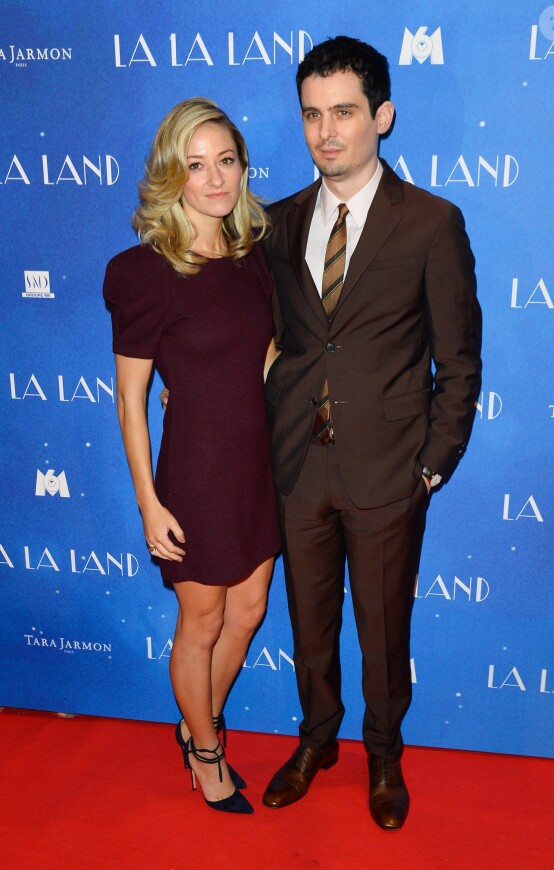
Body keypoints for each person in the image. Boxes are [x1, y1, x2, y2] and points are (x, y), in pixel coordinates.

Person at [260, 37, 482, 829]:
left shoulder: (431, 223)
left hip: (391, 471)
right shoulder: (277, 223)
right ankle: (316, 740)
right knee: (308, 624)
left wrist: (431, 465)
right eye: (314, 114)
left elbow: (459, 361)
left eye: (345, 112)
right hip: (298, 468)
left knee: (385, 630)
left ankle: (383, 755)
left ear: (382, 116)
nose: (327, 131)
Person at [103, 97, 281, 816]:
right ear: (171, 176)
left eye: (226, 162)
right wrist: (150, 501)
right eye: (196, 165)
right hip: (197, 475)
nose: (214, 180)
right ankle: (206, 752)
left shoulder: (258, 259)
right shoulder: (142, 272)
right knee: (202, 621)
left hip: (261, 467)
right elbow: (131, 399)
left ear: (243, 167)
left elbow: (270, 359)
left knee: (250, 611)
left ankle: (193, 720)